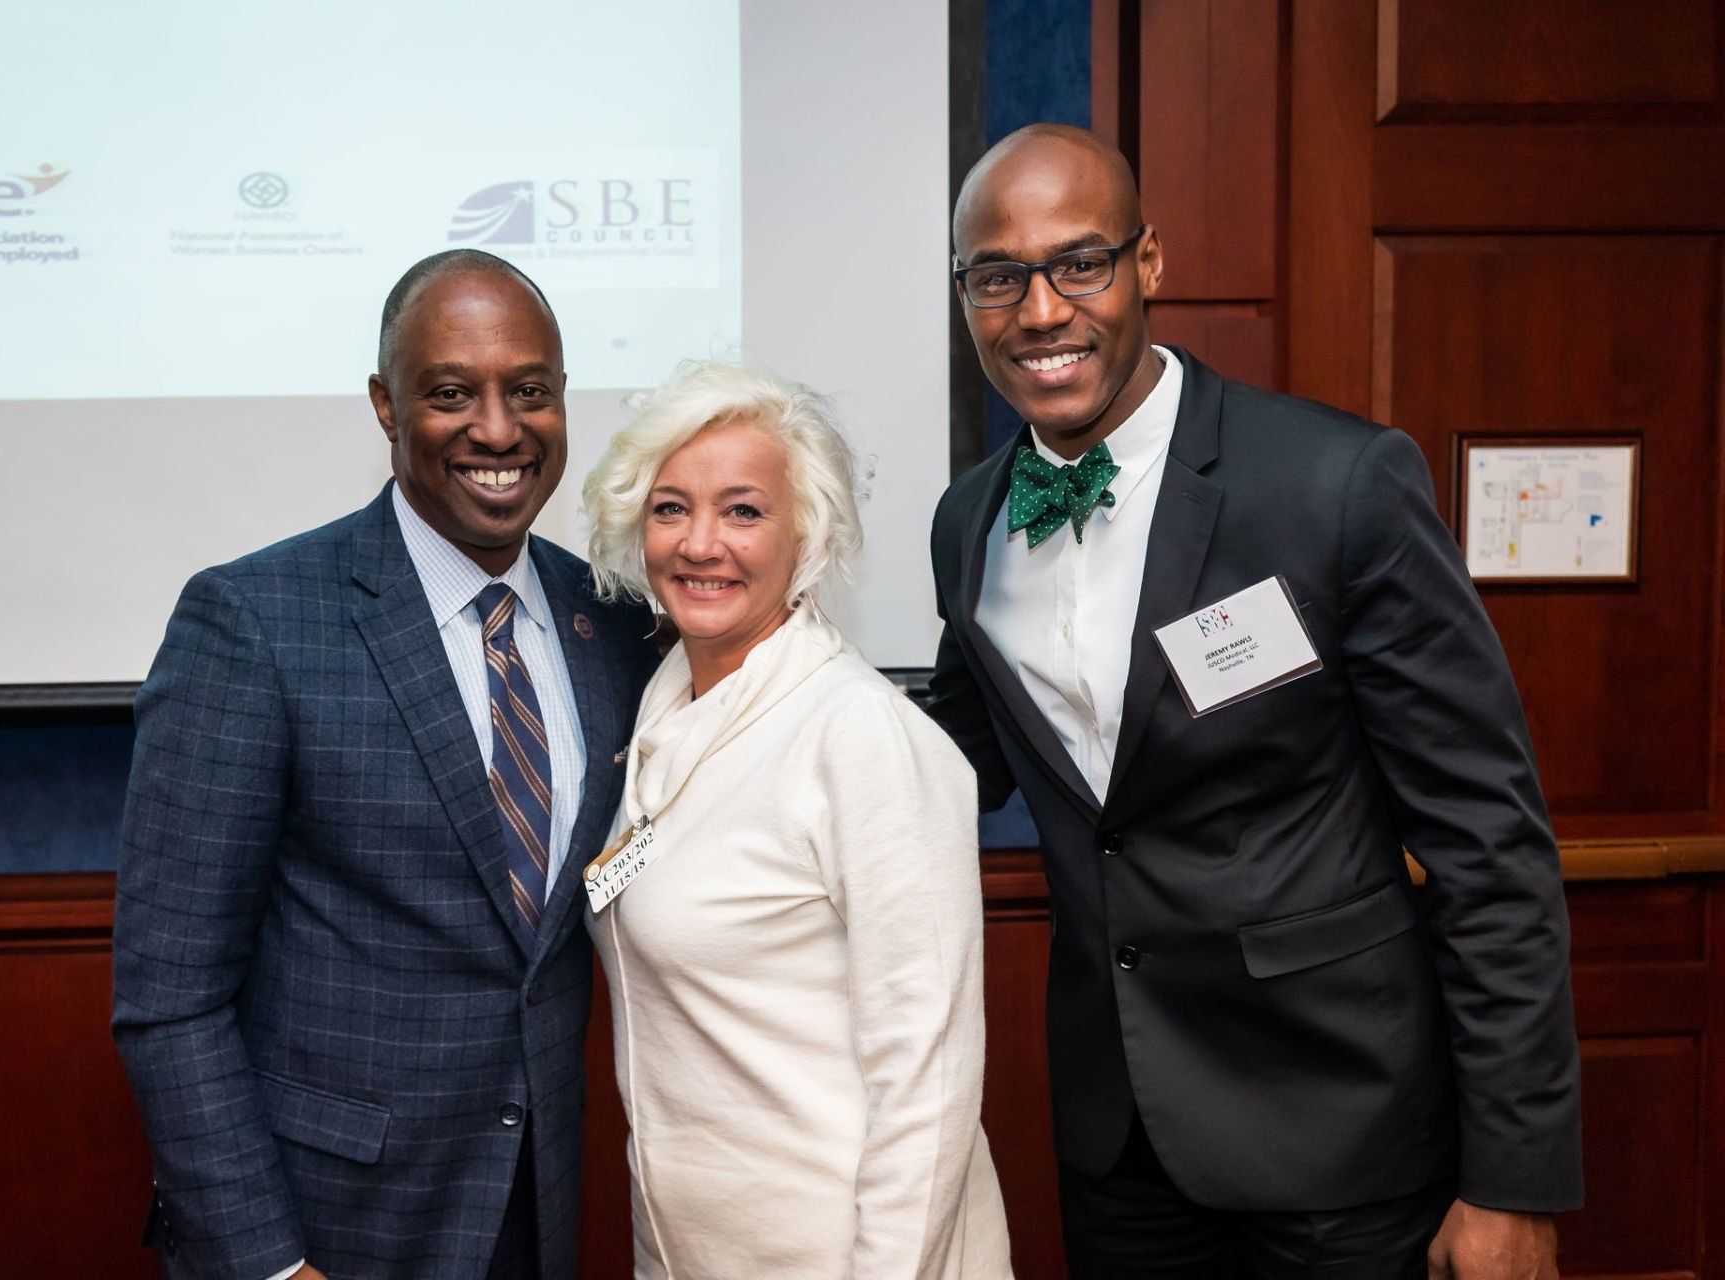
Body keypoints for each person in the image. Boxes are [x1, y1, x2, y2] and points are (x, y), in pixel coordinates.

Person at [925, 124, 1581, 1277]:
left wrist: (1513, 1179)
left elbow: (1488, 843)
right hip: (1120, 1141)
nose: (1039, 311)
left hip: (1342, 1134)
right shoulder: (970, 520)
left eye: (1080, 262)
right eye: (998, 275)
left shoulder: (1333, 483)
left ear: (1149, 263)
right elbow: (946, 758)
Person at [112, 249, 656, 1280]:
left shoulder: (616, 626)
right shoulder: (255, 621)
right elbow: (168, 996)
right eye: (452, 393)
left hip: (535, 1209)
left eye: (529, 391)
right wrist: (268, 1263)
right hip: (328, 1227)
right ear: (385, 404)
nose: (498, 430)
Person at [577, 360, 1015, 1278]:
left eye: (743, 510)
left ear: (805, 535)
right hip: (691, 1251)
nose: (701, 544)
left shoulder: (862, 738)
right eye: (670, 508)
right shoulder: (663, 710)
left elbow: (926, 1085)